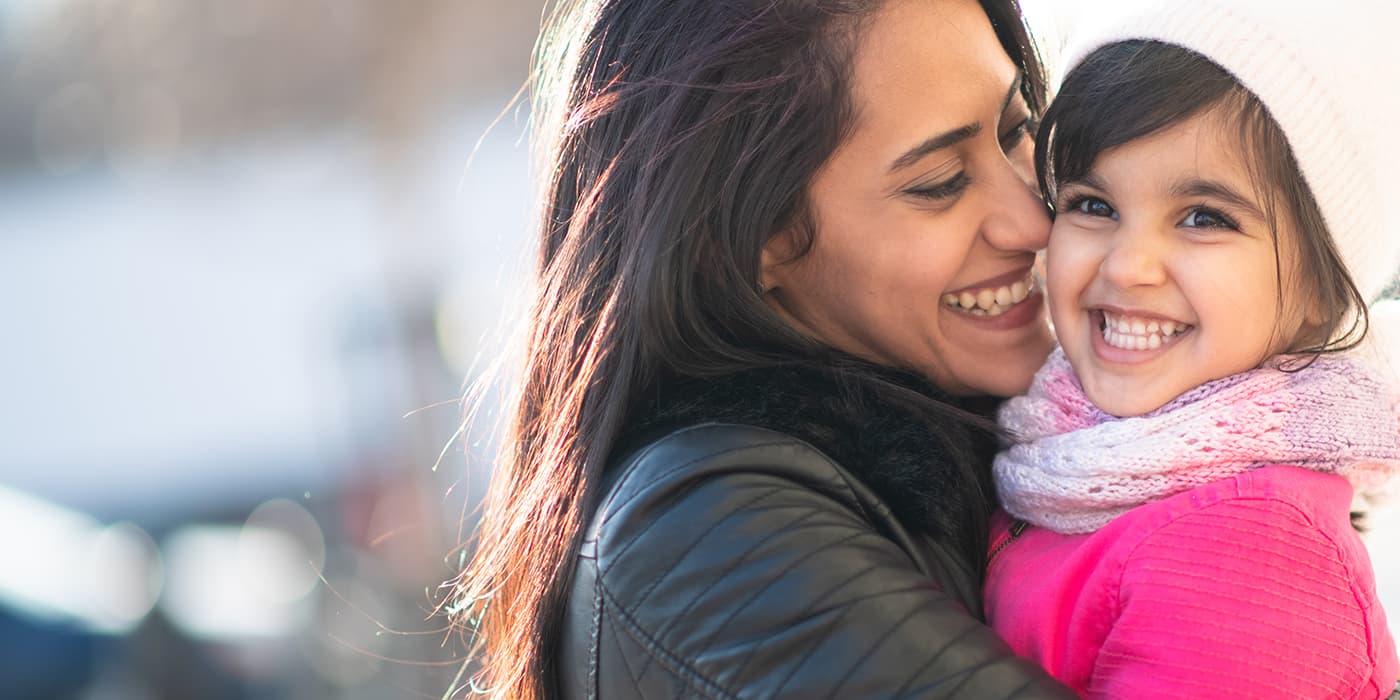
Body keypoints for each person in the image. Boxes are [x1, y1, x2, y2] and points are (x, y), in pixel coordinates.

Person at [447, 0, 1080, 697]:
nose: (1034, 220)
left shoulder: (1054, 432)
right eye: (939, 184)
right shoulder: (705, 539)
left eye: (1017, 130)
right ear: (748, 240)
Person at [983, 1, 1400, 697]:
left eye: (1204, 218)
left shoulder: (1253, 549)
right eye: (1093, 205)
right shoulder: (1053, 449)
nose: (1126, 266)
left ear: (1321, 292)